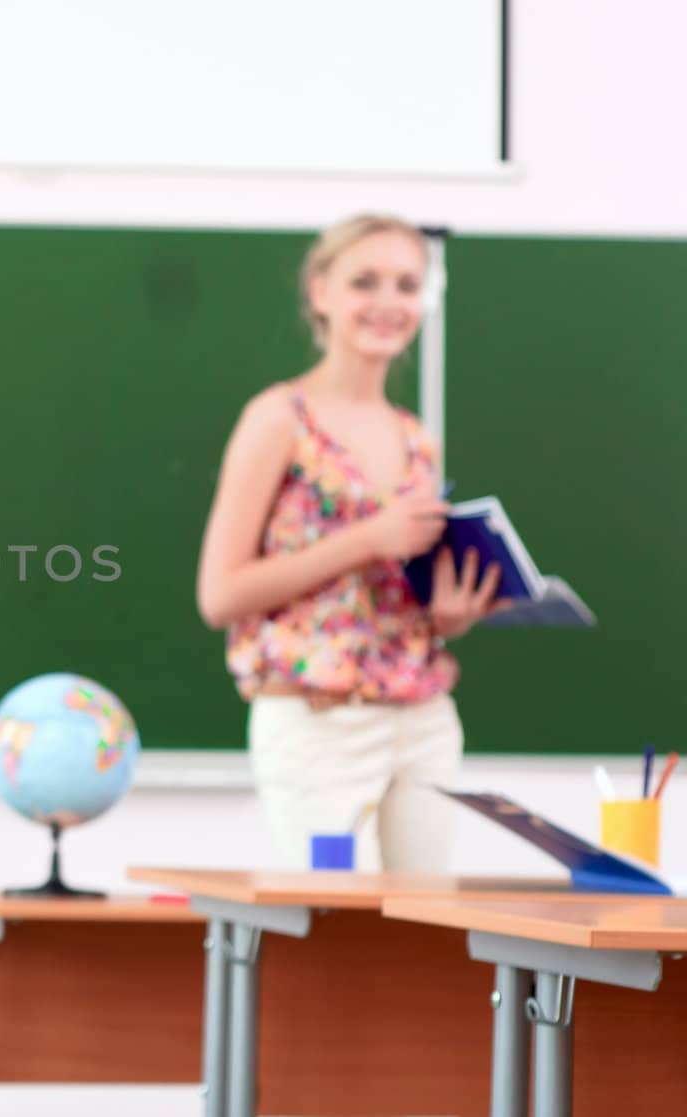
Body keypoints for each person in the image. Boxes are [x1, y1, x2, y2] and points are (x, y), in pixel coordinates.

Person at [196, 213, 500, 872]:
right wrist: (368, 538)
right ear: (320, 292)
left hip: (421, 719)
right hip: (318, 720)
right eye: (365, 281)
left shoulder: (416, 437)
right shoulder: (280, 419)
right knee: (331, 930)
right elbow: (219, 593)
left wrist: (448, 615)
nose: (388, 303)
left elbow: (389, 591)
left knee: (424, 931)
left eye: (406, 284)